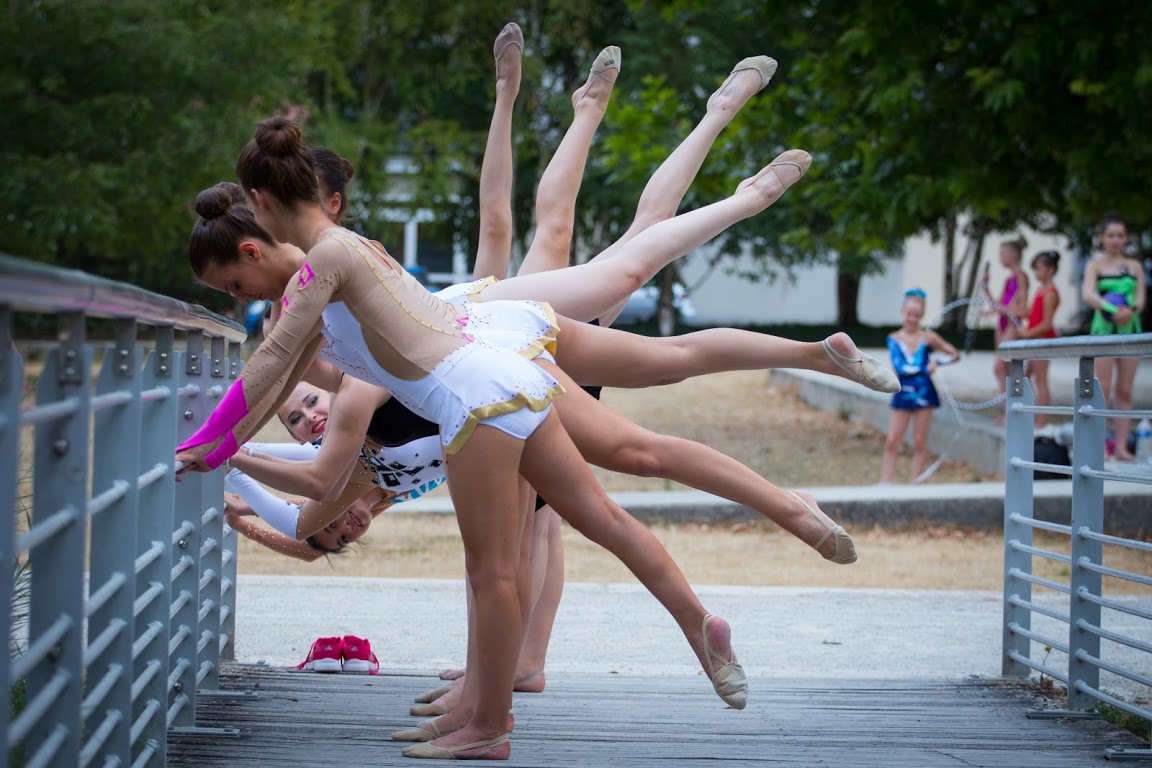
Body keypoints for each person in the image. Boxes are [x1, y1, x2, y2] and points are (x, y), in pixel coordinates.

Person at [175, 42, 831, 757]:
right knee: (601, 514)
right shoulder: (352, 252)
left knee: (492, 570)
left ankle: (488, 726)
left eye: (237, 278)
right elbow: (284, 364)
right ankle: (699, 627)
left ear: (263, 205)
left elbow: (269, 361)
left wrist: (207, 445)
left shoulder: (324, 263)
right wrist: (217, 443)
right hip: (509, 376)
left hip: (477, 401)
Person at [1082, 213, 1145, 461]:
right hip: (1104, 328)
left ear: (1126, 238)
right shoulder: (1095, 264)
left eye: (1120, 235)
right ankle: (1099, 445)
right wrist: (1111, 310)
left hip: (1130, 327)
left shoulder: (1134, 266)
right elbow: (1088, 294)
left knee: (1125, 391)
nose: (1115, 240)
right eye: (1111, 235)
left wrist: (1130, 312)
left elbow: (1140, 297)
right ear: (1102, 238)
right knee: (1102, 388)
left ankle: (1121, 446)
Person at [880, 289, 959, 484]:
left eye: (916, 315)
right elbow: (901, 367)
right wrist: (922, 367)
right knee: (892, 440)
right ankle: (885, 482)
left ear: (922, 315)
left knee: (920, 441)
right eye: (909, 314)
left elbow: (953, 354)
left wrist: (937, 363)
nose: (912, 319)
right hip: (903, 391)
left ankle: (915, 483)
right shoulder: (894, 339)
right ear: (902, 312)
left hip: (924, 391)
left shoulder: (928, 337)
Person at [983, 236, 1030, 420]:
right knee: (1005, 370)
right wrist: (986, 288)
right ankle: (1009, 411)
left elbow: (1023, 308)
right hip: (1002, 326)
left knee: (1000, 367)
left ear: (1014, 254)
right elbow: (999, 304)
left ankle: (1011, 410)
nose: (1000, 257)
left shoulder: (1021, 277)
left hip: (1012, 326)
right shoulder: (1009, 278)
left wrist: (1000, 310)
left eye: (1003, 254)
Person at [1018, 250, 1061, 429]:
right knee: (1026, 377)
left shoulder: (1050, 293)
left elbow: (1046, 323)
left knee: (1041, 380)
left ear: (1050, 270)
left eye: (1039, 269)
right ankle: (1027, 415)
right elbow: (1032, 313)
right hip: (1035, 340)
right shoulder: (1040, 290)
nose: (1036, 273)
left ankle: (1042, 421)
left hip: (1042, 340)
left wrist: (1027, 333)